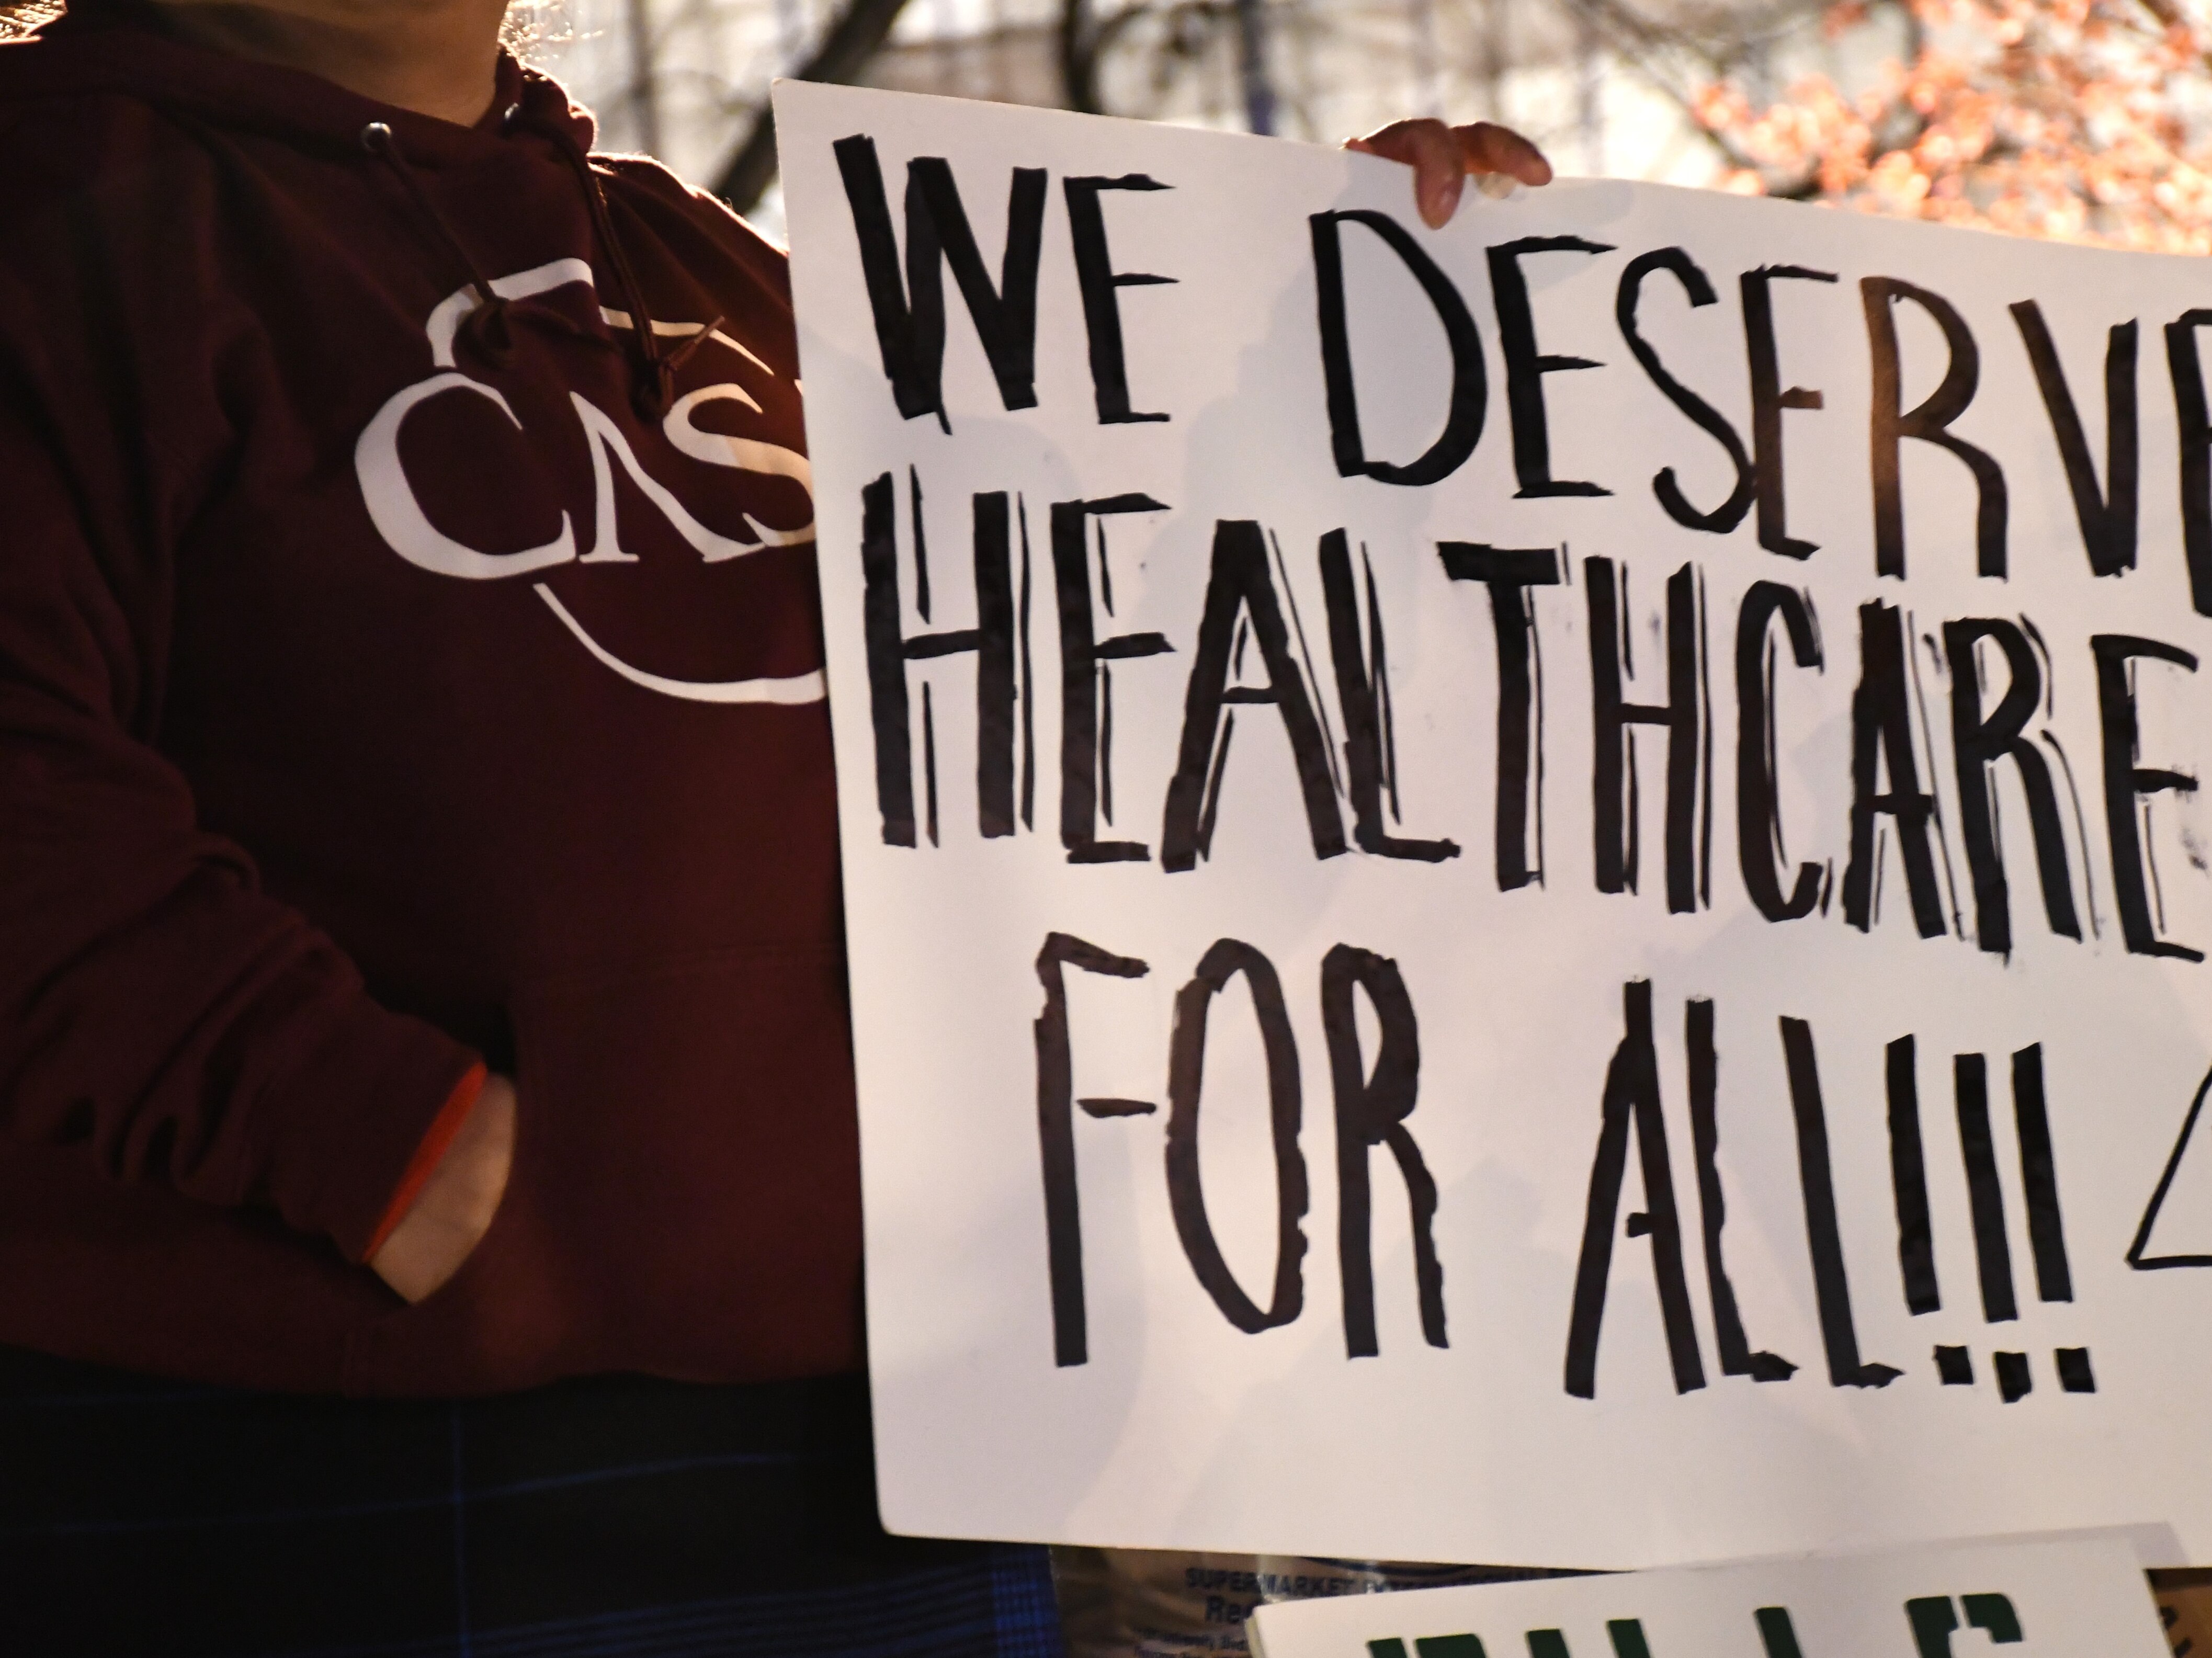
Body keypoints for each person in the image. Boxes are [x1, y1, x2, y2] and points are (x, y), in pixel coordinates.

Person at [0, 0, 1549, 1650]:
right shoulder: (55, 203)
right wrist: (398, 1155)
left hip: (892, 1445)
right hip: (337, 1451)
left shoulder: (715, 272)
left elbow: (1086, 697)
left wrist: (1357, 348)